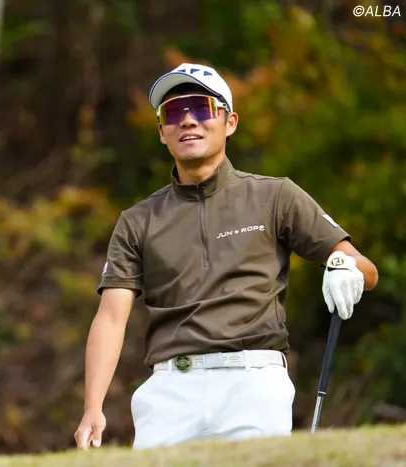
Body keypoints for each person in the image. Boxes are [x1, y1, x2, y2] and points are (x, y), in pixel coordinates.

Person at [73, 63, 379, 450]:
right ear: (162, 132)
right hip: (169, 389)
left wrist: (342, 266)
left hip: (253, 382)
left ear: (229, 122)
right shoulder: (138, 220)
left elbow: (365, 268)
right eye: (173, 112)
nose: (188, 120)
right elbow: (111, 318)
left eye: (201, 108)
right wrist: (93, 407)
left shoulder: (275, 196)